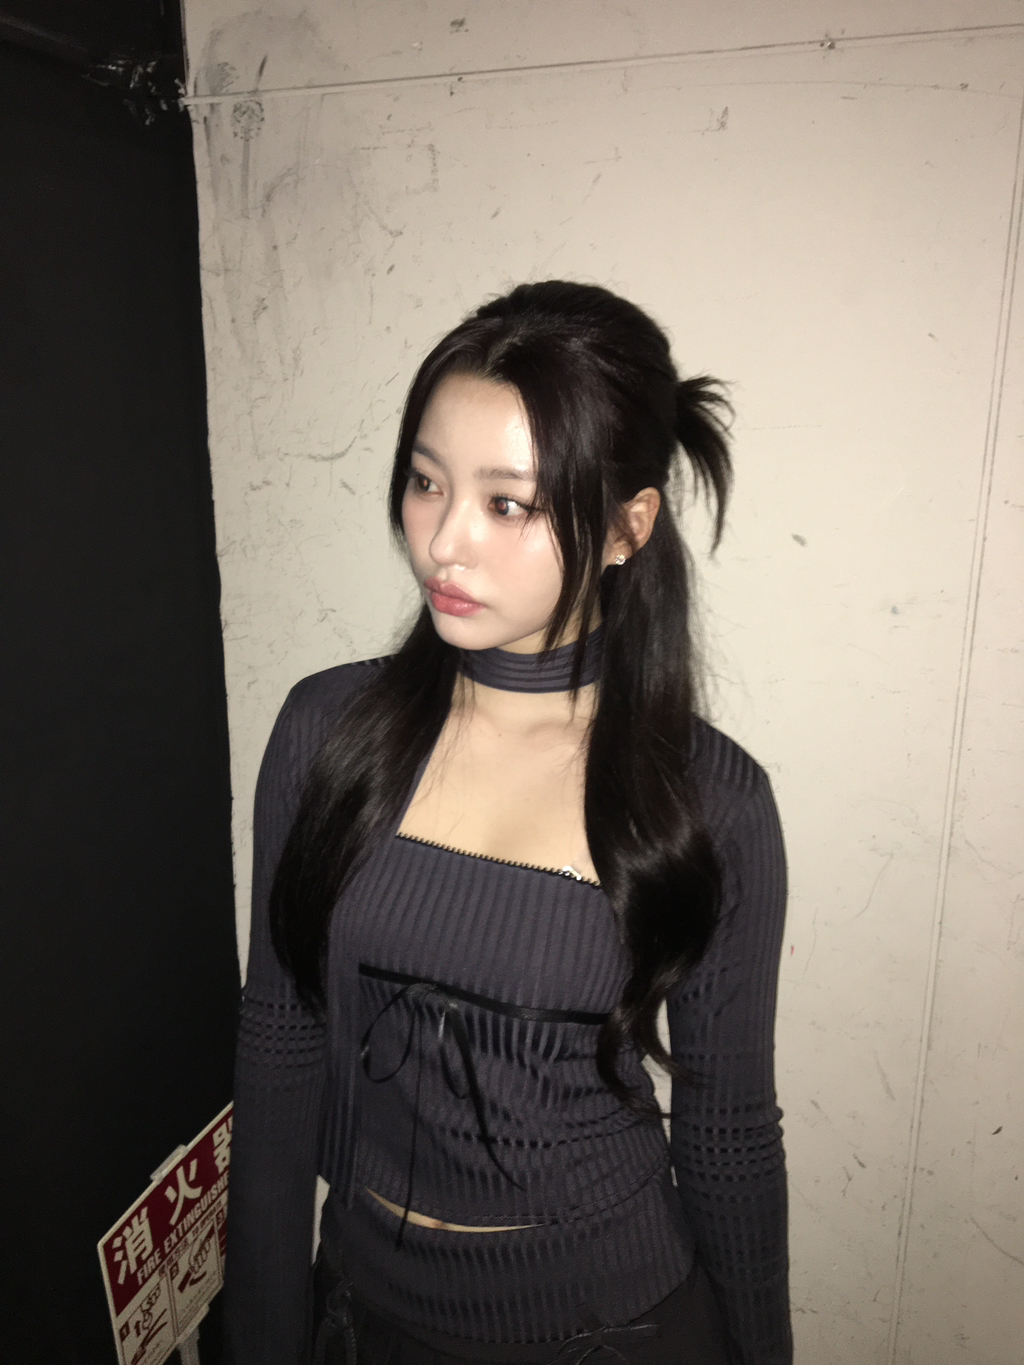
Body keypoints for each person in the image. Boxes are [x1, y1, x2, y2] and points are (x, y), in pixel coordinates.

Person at [223, 281, 791, 1365]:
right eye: (426, 482)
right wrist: (262, 1333)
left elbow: (726, 1139)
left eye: (509, 504)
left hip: (611, 1327)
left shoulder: (710, 800)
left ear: (627, 526)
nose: (444, 541)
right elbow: (279, 1039)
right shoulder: (325, 732)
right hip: (365, 1314)